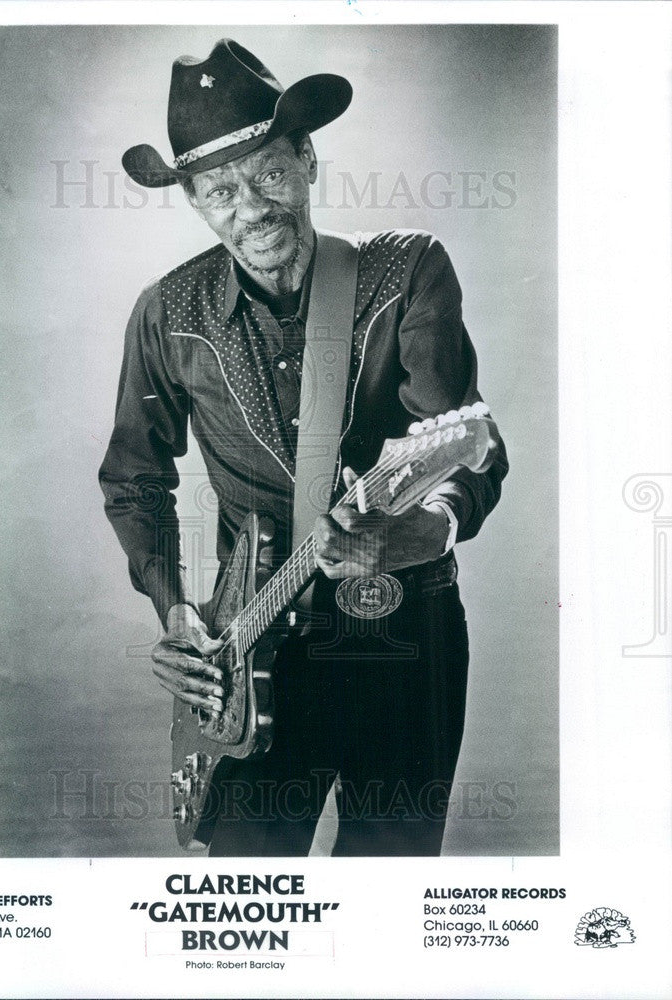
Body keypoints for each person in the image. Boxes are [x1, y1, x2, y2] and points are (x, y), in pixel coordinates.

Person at [99, 38, 508, 856]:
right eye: (219, 192)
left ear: (308, 159)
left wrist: (414, 533)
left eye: (268, 175)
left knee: (389, 888)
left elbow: (472, 454)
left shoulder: (408, 271)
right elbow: (135, 480)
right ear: (193, 201)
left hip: (402, 629)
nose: (249, 208)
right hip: (244, 646)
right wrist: (178, 612)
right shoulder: (165, 312)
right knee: (249, 893)